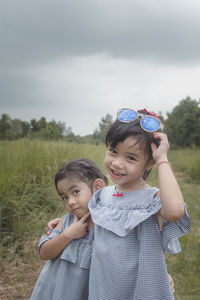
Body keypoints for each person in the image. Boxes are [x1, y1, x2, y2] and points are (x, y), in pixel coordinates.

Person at [87, 108, 190, 300]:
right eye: (113, 151)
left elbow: (175, 211)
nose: (117, 163)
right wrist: (62, 224)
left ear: (149, 163)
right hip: (102, 287)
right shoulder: (102, 196)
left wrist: (163, 159)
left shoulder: (151, 201)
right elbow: (90, 227)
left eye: (131, 157)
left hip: (138, 290)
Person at [30, 158, 107, 300]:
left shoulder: (108, 225)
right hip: (55, 290)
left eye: (76, 191)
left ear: (97, 187)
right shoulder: (66, 222)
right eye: (64, 197)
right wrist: (68, 235)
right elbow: (44, 253)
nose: (70, 202)